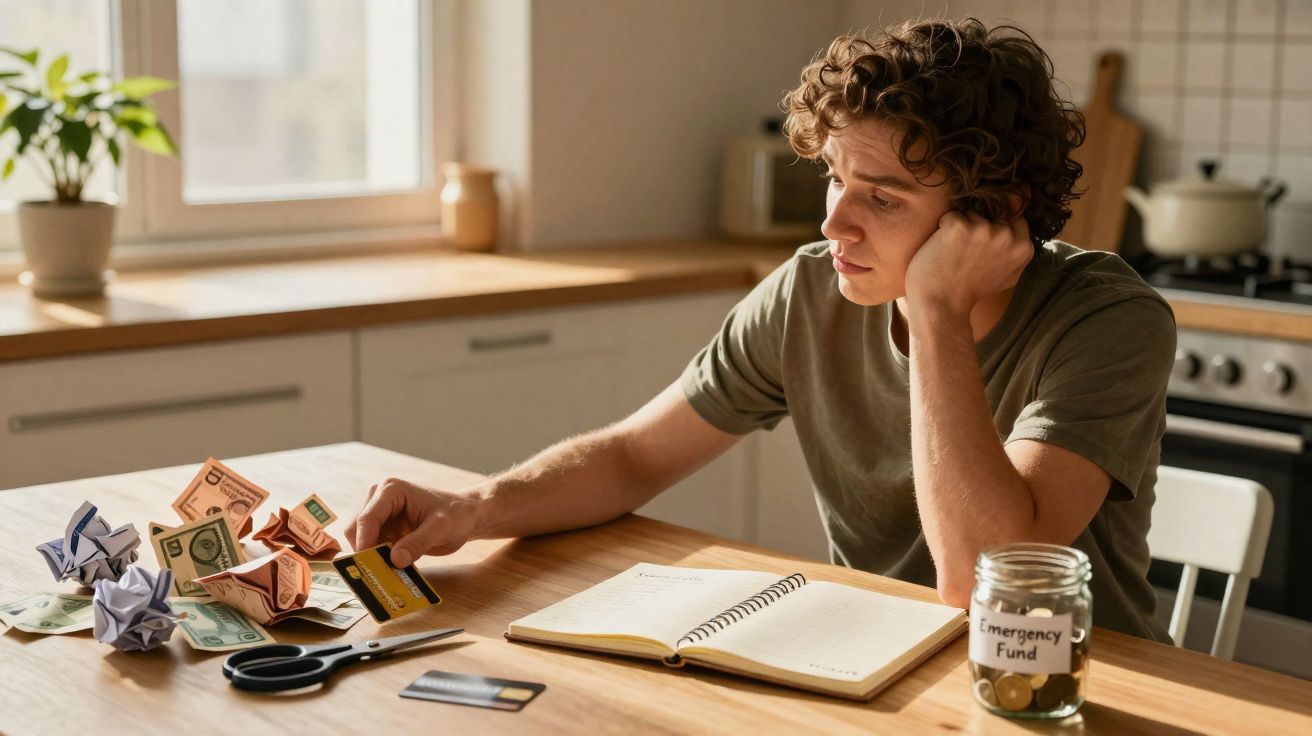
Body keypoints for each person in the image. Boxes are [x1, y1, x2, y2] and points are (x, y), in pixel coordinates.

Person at [346, 17, 1175, 641]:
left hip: (1073, 685)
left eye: (882, 198)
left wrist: (934, 312)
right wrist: (476, 506)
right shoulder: (809, 294)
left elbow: (984, 578)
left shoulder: (1108, 319)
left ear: (995, 211)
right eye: (835, 180)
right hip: (884, 665)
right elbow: (636, 455)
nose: (834, 225)